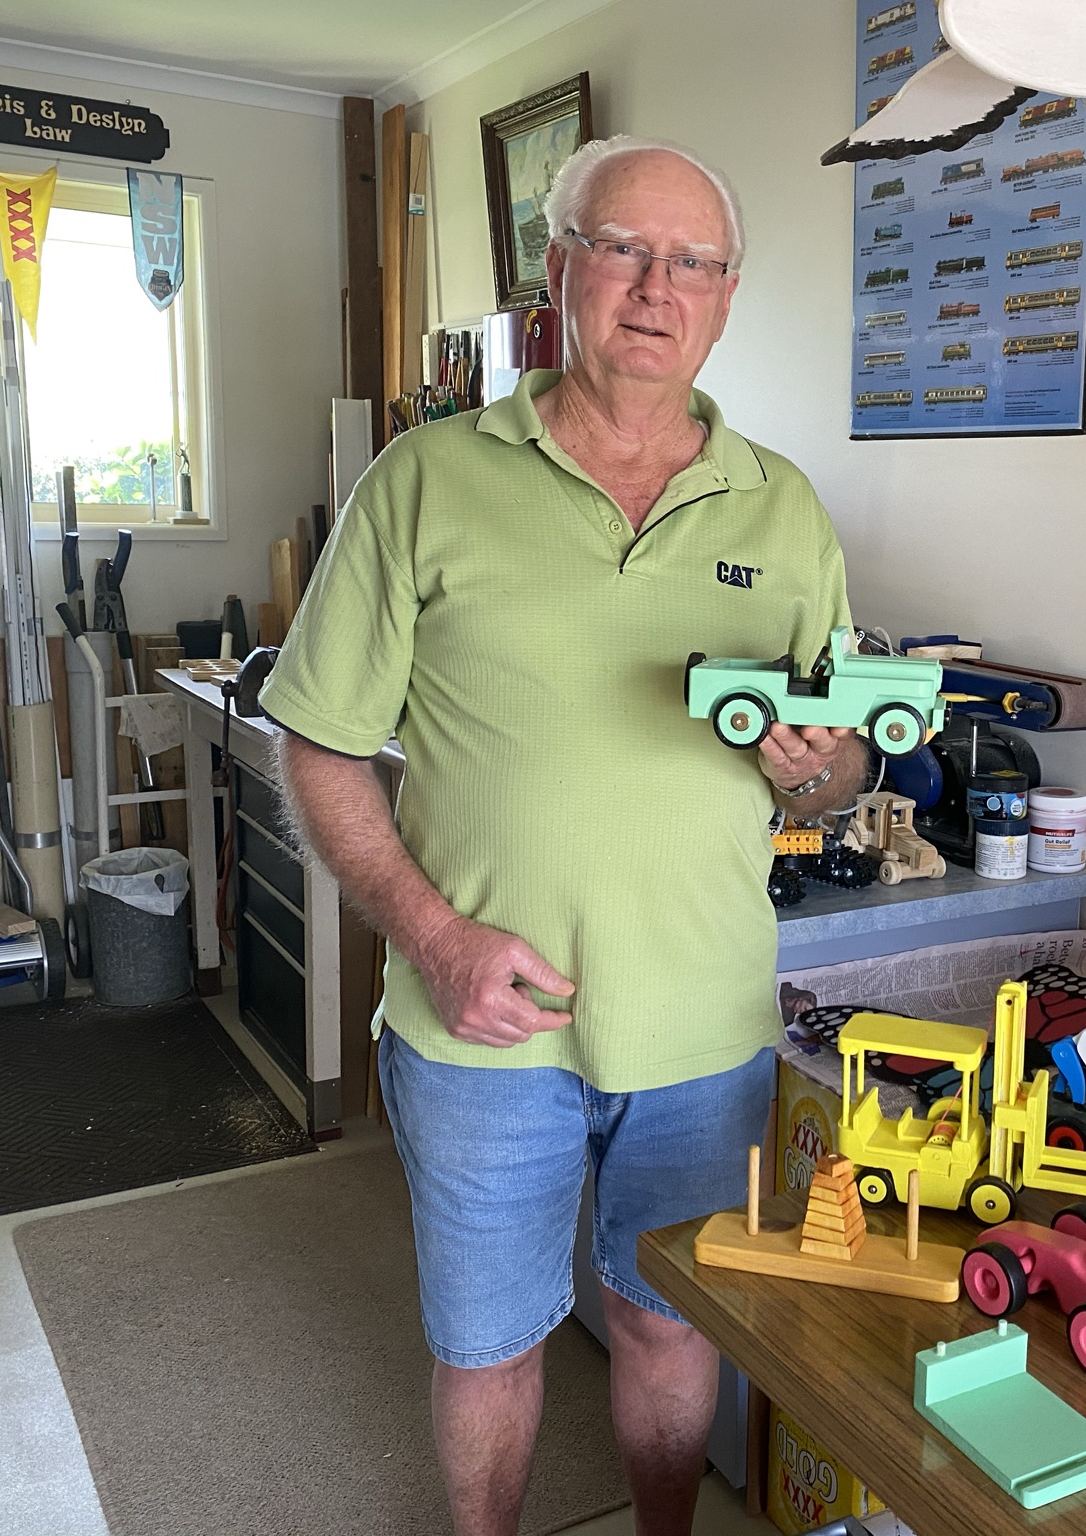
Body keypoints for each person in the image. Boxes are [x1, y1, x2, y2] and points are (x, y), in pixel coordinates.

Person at [261, 136, 869, 1536]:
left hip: (703, 1028)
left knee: (668, 1323)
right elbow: (319, 739)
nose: (657, 288)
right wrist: (433, 936)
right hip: (480, 1028)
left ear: (727, 297)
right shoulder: (425, 479)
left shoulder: (785, 508)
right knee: (489, 1347)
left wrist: (820, 771)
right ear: (559, 270)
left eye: (694, 262)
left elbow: (828, 778)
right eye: (623, 249)